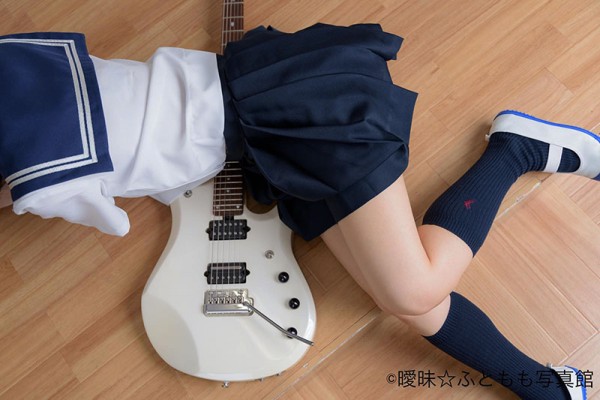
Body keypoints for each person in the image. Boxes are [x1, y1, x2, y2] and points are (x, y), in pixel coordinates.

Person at [0, 24, 594, 400]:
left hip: (300, 110)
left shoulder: (35, 155)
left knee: (411, 291)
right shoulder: (23, 90)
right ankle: (546, 386)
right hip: (268, 136)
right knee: (403, 299)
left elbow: (98, 203)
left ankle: (517, 151)